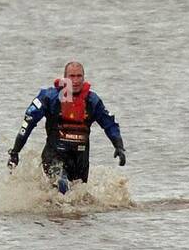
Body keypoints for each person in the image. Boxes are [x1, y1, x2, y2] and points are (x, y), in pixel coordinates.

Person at [7, 61, 126, 194]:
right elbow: (28, 123)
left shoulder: (92, 101)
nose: (75, 81)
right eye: (71, 76)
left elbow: (110, 124)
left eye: (79, 76)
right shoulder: (49, 98)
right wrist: (15, 152)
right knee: (62, 184)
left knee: (78, 200)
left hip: (80, 159)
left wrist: (119, 146)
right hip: (54, 156)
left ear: (84, 78)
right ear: (65, 78)